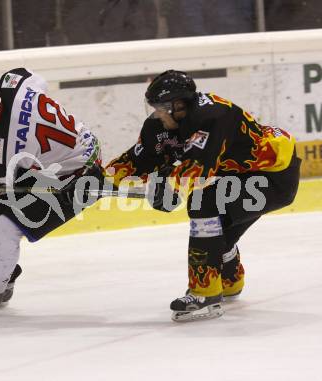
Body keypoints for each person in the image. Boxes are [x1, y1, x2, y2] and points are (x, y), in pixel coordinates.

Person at [106, 70, 301, 322]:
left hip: (274, 176)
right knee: (217, 231)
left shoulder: (214, 117)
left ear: (178, 105)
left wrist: (171, 190)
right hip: (241, 174)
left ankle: (205, 292)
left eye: (160, 108)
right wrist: (100, 178)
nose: (156, 114)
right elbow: (138, 160)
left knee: (205, 202)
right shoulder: (163, 124)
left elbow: (197, 169)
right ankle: (229, 281)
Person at [0, 67, 103, 315]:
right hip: (80, 150)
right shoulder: (13, 82)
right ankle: (3, 275)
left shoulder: (6, 148)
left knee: (4, 228)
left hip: (77, 179)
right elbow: (38, 80)